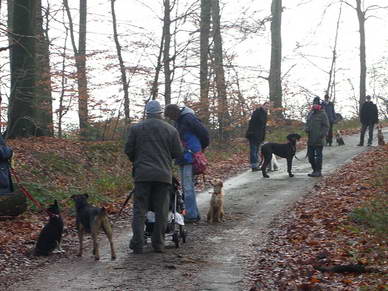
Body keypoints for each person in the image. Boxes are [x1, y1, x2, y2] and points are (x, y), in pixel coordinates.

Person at [125, 100, 183, 254]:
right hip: (163, 175)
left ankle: (137, 243)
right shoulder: (171, 130)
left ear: (147, 112)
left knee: (140, 210)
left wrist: (137, 161)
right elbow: (178, 153)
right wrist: (165, 158)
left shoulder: (136, 129)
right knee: (161, 210)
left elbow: (128, 150)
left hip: (142, 175)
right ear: (160, 113)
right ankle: (158, 243)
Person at [164, 104, 209, 223]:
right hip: (182, 157)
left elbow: (204, 133)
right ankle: (192, 213)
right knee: (186, 187)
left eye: (171, 116)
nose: (171, 119)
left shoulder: (188, 118)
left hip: (191, 156)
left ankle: (191, 215)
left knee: (188, 187)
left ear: (175, 113)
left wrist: (200, 149)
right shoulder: (178, 121)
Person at [305, 97, 329, 177]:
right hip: (311, 139)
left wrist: (322, 134)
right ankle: (314, 170)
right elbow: (307, 123)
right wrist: (306, 128)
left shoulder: (323, 114)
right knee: (310, 157)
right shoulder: (310, 113)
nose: (314, 105)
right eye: (314, 104)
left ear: (319, 105)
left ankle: (318, 171)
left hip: (319, 139)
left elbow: (326, 126)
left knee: (319, 156)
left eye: (316, 104)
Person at [245, 102, 270, 172]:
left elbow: (263, 127)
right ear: (263, 106)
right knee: (253, 150)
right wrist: (251, 133)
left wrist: (263, 137)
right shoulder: (257, 112)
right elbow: (252, 122)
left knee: (256, 151)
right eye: (266, 106)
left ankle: (256, 165)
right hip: (253, 135)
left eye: (268, 107)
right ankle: (254, 166)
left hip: (259, 135)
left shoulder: (265, 114)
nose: (267, 107)